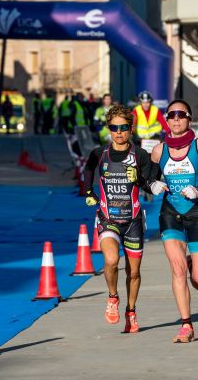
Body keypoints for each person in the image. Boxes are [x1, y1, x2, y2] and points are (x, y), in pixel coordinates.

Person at [148, 99, 198, 343]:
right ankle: (186, 325)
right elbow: (147, 181)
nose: (176, 119)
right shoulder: (159, 151)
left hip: (197, 213)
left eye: (181, 114)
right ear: (167, 120)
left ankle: (195, 262)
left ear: (189, 119)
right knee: (177, 269)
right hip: (170, 214)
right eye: (171, 115)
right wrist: (153, 184)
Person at [83, 105, 153, 334]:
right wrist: (88, 192)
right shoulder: (100, 153)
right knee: (112, 261)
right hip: (108, 218)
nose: (119, 132)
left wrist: (140, 180)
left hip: (132, 220)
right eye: (114, 127)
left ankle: (130, 311)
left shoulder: (140, 155)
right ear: (109, 129)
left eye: (123, 127)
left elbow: (151, 185)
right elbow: (88, 169)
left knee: (133, 272)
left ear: (131, 129)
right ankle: (113, 297)